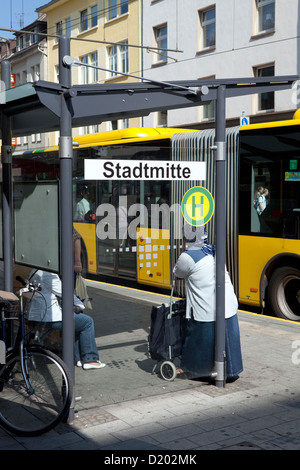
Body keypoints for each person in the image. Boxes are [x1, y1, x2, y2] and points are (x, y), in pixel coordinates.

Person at [173, 224, 243, 381]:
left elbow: (178, 272)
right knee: (227, 338)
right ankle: (231, 371)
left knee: (198, 338)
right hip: (228, 304)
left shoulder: (187, 257)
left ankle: (195, 370)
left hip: (207, 308)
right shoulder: (212, 250)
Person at [28, 269, 105, 370]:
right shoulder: (48, 274)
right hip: (49, 317)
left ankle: (79, 359)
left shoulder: (34, 270)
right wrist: (80, 305)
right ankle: (90, 359)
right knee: (87, 322)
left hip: (36, 315)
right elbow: (65, 293)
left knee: (79, 323)